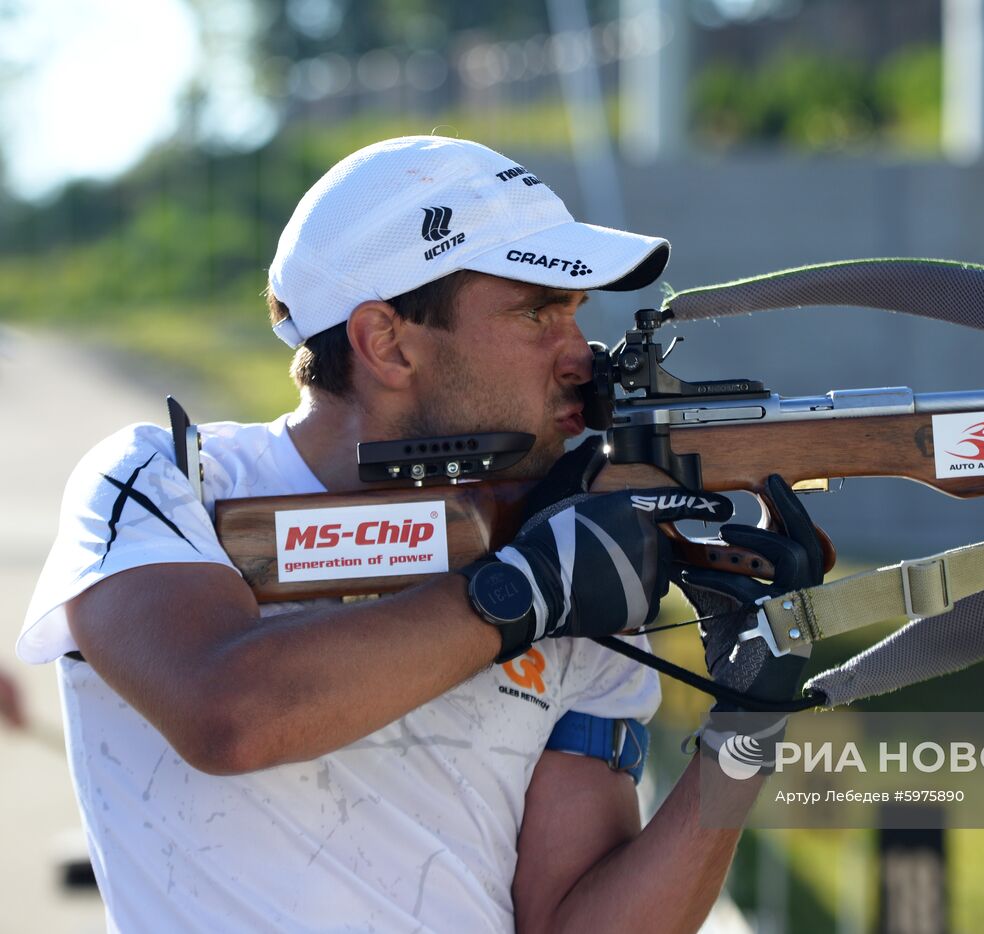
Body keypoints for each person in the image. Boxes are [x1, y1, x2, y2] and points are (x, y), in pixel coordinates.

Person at [16, 136, 822, 933]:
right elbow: (227, 714)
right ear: (387, 342)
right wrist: (525, 591)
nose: (580, 354)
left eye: (575, 313)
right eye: (537, 310)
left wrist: (744, 732)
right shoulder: (168, 480)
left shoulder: (573, 555)